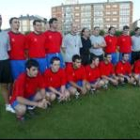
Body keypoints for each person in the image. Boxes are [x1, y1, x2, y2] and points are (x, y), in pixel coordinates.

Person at [0, 15, 15, 113]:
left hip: (4, 61)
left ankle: (7, 104)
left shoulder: (6, 34)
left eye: (0, 19)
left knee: (6, 84)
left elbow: (8, 49)